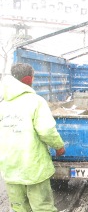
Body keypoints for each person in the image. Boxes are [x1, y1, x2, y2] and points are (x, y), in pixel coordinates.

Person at [0, 63, 65, 212]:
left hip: (10, 165)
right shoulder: (35, 101)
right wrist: (59, 146)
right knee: (42, 207)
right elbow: (46, 130)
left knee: (19, 207)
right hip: (33, 165)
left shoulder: (3, 104)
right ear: (28, 79)